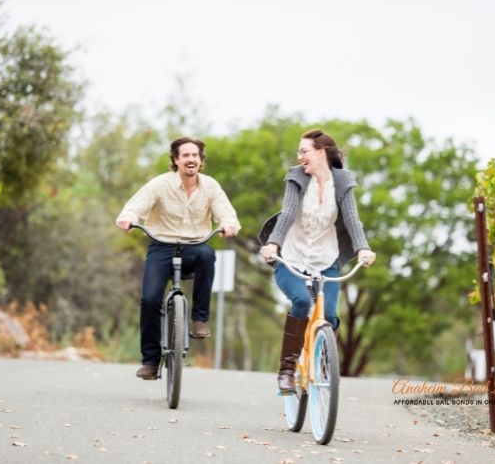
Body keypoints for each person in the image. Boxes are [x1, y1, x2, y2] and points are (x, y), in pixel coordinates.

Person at [258, 129, 376, 392]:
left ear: (321, 153)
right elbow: (287, 213)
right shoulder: (297, 178)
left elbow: (352, 219)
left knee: (331, 316)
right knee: (301, 301)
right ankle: (287, 371)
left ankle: (323, 363)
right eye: (299, 152)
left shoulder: (342, 182)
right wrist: (273, 244)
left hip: (326, 260)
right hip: (291, 258)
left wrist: (362, 249)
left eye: (304, 151)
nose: (300, 156)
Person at [116, 137, 240, 380]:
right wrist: (128, 218)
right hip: (161, 246)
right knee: (150, 300)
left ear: (201, 160)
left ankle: (199, 320)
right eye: (185, 155)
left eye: (195, 155)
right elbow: (135, 206)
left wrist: (228, 224)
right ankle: (151, 361)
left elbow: (226, 213)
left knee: (208, 255)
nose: (191, 159)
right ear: (176, 160)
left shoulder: (211, 186)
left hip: (195, 246)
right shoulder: (159, 185)